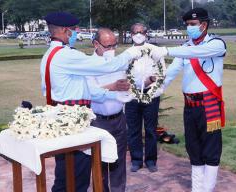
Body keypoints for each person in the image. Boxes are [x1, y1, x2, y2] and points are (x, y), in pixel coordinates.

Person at [40, 12, 142, 192]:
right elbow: (109, 65)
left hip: (62, 118)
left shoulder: (49, 54)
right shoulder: (66, 56)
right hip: (73, 121)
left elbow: (88, 90)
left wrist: (115, 96)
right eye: (73, 30)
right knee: (77, 177)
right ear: (64, 30)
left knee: (65, 175)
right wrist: (131, 52)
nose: (75, 34)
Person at [150, 8, 227, 192]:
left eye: (192, 25)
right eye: (187, 25)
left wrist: (166, 50)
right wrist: (156, 89)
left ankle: (207, 189)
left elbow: (199, 52)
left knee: (211, 149)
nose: (189, 28)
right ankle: (197, 189)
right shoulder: (185, 48)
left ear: (204, 25)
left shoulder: (216, 44)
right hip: (190, 105)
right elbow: (172, 71)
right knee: (193, 148)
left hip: (209, 104)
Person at [87, 28, 130, 192]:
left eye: (114, 46)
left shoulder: (118, 62)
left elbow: (126, 85)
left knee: (119, 163)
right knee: (100, 164)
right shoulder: (88, 65)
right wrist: (112, 87)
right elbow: (90, 92)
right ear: (96, 44)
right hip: (98, 121)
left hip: (119, 119)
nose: (112, 50)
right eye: (107, 46)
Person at [125, 23, 161, 173]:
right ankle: (136, 160)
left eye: (141, 32)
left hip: (150, 95)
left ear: (146, 33)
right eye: (135, 32)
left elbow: (161, 74)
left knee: (151, 130)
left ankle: (151, 160)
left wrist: (151, 82)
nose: (138, 34)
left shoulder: (154, 51)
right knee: (133, 129)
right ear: (131, 34)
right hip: (132, 96)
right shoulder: (127, 53)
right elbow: (123, 74)